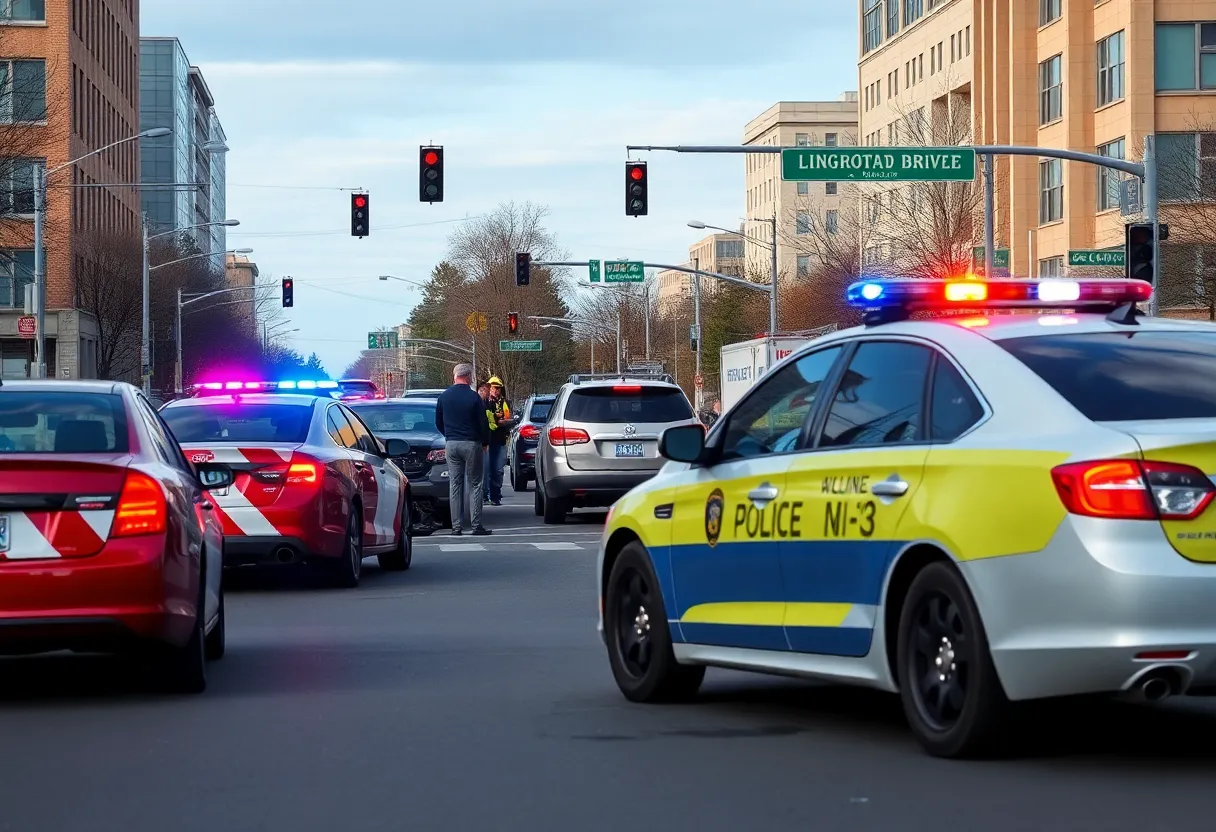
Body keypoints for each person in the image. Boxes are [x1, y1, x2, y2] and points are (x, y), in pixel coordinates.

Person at [435, 363, 492, 536]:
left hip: (451, 443)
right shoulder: (474, 397)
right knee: (475, 483)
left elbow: (438, 421)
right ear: (468, 377)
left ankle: (456, 526)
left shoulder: (444, 397)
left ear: (455, 376)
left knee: (455, 484)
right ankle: (476, 525)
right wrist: (484, 441)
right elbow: (483, 422)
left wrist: (449, 434)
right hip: (471, 443)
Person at [483, 376, 515, 505]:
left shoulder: (503, 403)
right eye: (494, 388)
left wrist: (502, 422)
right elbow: (489, 420)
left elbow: (508, 419)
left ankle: (496, 495)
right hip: (487, 441)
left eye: (498, 388)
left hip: (500, 440)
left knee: (498, 470)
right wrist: (500, 421)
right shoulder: (484, 402)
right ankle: (486, 495)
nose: (496, 390)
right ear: (489, 388)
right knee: (486, 470)